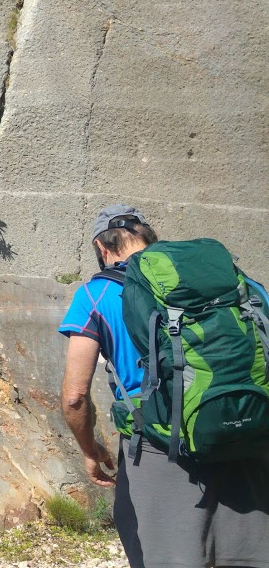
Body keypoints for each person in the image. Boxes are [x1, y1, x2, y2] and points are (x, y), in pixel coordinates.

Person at [59, 204, 269, 567]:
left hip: (161, 446)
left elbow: (75, 397)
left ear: (102, 248)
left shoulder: (96, 295)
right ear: (149, 238)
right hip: (249, 433)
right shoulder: (237, 282)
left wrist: (91, 451)